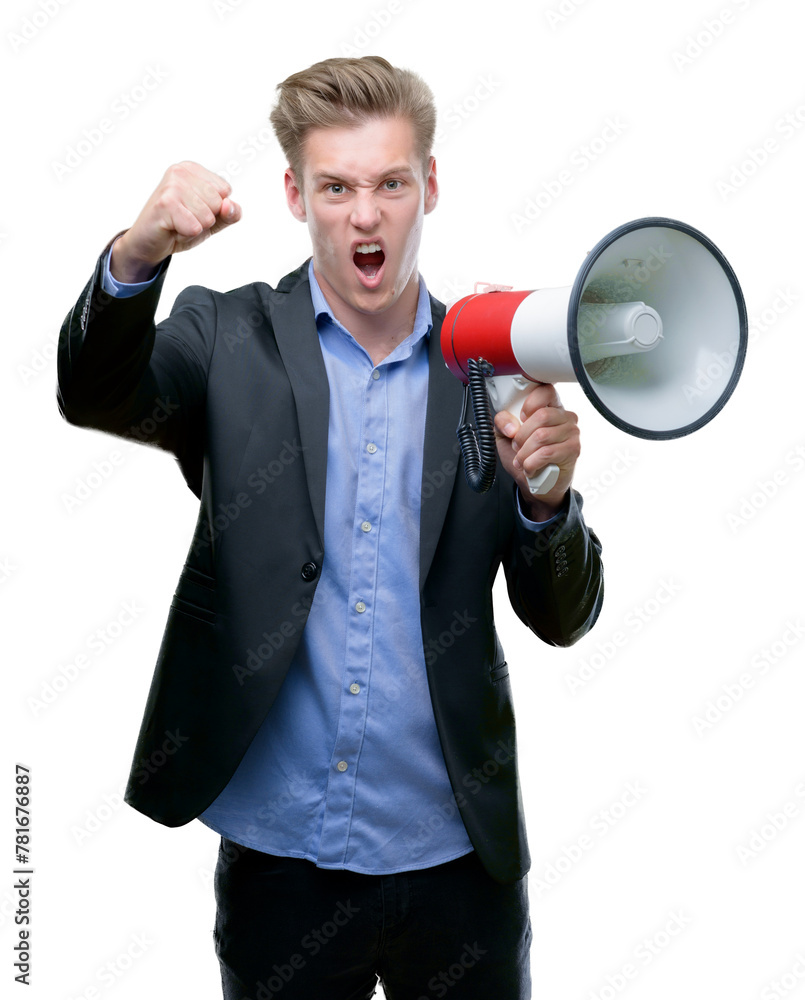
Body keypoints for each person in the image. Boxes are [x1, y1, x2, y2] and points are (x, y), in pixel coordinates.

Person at [57, 55, 603, 1000]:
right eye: (336, 187)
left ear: (428, 185)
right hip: (281, 865)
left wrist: (545, 501)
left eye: (391, 183)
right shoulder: (226, 338)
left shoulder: (491, 367)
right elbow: (93, 392)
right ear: (294, 194)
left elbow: (562, 617)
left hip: (457, 863)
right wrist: (136, 255)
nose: (365, 214)